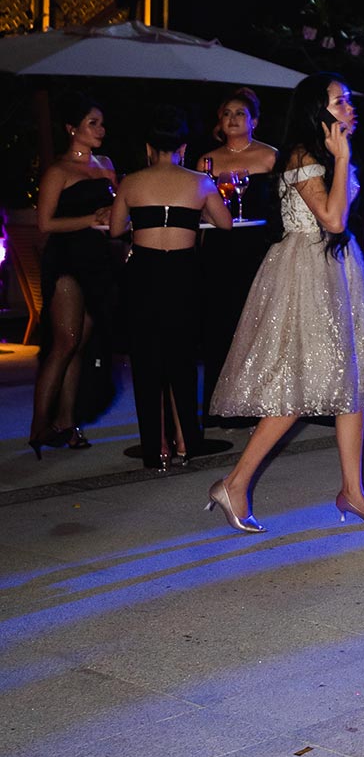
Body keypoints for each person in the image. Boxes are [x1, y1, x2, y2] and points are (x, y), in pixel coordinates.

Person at [204, 73, 364, 533]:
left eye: (348, 100)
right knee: (299, 386)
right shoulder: (303, 156)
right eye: (340, 102)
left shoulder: (325, 154)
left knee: (351, 381)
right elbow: (332, 219)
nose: (349, 108)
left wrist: (342, 158)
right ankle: (234, 483)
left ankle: (353, 492)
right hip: (306, 271)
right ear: (316, 110)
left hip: (338, 268)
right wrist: (342, 159)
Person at [108, 108, 232, 471]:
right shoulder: (200, 182)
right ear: (182, 147)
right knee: (181, 358)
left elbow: (115, 230)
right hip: (183, 273)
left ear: (149, 147)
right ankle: (185, 440)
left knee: (147, 361)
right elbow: (225, 223)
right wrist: (196, 213)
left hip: (144, 272)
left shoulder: (132, 182)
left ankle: (155, 447)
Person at [28, 94, 118, 456]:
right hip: (67, 258)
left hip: (97, 259)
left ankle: (67, 422)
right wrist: (90, 218)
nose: (101, 129)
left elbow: (115, 209)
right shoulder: (58, 171)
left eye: (101, 123)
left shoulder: (106, 165)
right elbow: (45, 224)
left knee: (81, 343)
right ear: (72, 128)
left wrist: (113, 213)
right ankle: (39, 425)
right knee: (65, 340)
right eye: (92, 123)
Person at [198, 87, 279, 408]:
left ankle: (259, 402)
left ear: (254, 120)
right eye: (227, 113)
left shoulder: (270, 156)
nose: (232, 119)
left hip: (259, 245)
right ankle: (222, 404)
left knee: (258, 321)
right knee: (221, 321)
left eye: (240, 113)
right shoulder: (207, 160)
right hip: (219, 245)